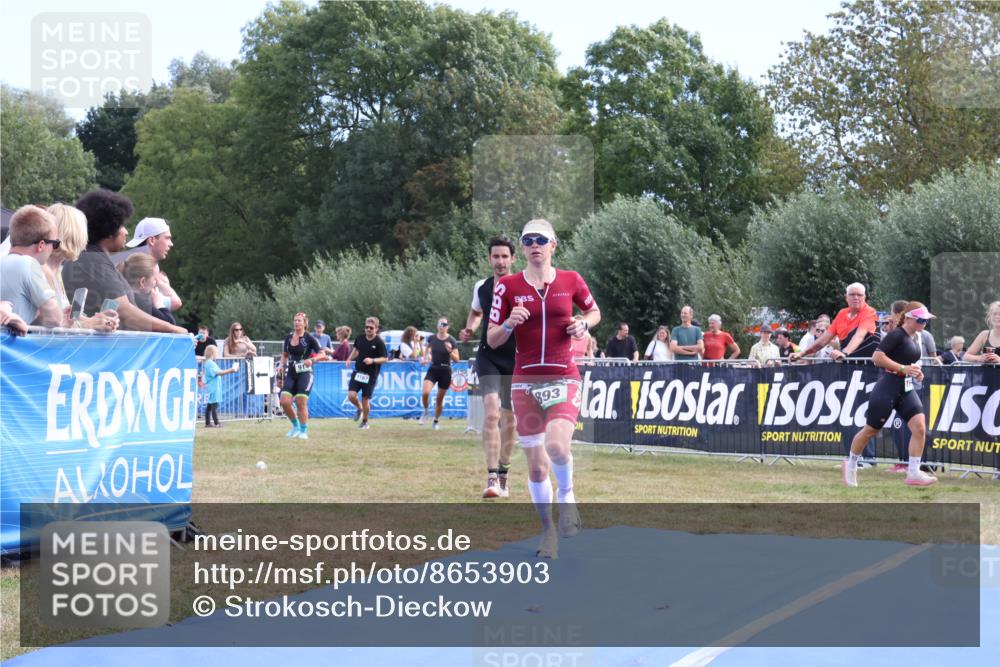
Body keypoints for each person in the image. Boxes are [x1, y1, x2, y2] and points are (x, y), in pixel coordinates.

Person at [487, 219, 601, 559]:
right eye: (528, 240)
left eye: (542, 239)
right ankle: (548, 533)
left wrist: (583, 324)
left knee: (557, 447)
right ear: (522, 249)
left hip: (563, 376)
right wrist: (509, 323)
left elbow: (594, 311)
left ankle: (567, 496)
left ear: (553, 245)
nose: (535, 244)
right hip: (525, 382)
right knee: (536, 468)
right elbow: (493, 340)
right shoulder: (507, 287)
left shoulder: (571, 280)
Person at [841, 302, 939, 488]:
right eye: (921, 319)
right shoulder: (896, 334)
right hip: (888, 386)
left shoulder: (916, 337)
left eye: (926, 320)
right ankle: (851, 464)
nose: (924, 323)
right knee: (871, 430)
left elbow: (906, 361)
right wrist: (903, 368)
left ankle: (913, 472)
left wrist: (915, 371)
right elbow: (877, 358)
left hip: (906, 387)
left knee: (920, 428)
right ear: (909, 318)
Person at [63, 190, 186, 334]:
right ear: (109, 229)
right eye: (121, 225)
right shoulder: (92, 261)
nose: (126, 232)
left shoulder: (93, 258)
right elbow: (125, 312)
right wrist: (176, 330)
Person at [460, 235, 519, 498]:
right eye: (496, 256)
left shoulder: (524, 286)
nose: (500, 261)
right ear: (489, 259)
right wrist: (470, 327)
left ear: (513, 259)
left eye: (505, 256)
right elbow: (475, 312)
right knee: (492, 413)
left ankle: (504, 475)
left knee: (510, 419)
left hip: (517, 358)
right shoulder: (481, 287)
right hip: (489, 356)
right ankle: (492, 477)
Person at [42, 204, 118, 332]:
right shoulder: (41, 270)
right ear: (75, 235)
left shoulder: (56, 272)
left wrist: (99, 321)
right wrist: (88, 324)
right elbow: (49, 322)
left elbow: (64, 319)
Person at [0, 205, 64, 327]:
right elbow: (55, 319)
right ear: (41, 245)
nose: (54, 249)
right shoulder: (28, 264)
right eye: (55, 243)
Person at [791, 283, 879, 363]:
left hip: (869, 365)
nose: (856, 297)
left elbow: (859, 335)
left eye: (859, 295)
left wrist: (844, 352)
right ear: (846, 297)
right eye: (852, 294)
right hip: (849, 365)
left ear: (864, 298)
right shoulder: (842, 313)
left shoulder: (869, 312)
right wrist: (801, 354)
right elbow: (823, 340)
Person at [278, 312, 326, 440]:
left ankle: (304, 431)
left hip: (305, 372)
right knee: (284, 401)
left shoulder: (310, 338)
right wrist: (280, 365)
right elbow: (284, 354)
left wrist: (312, 359)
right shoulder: (288, 337)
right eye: (295, 320)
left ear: (305, 323)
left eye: (299, 320)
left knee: (301, 402)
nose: (296, 322)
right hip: (292, 372)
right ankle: (295, 426)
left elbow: (322, 354)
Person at [125, 217, 182, 314]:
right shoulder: (138, 269)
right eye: (167, 238)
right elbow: (175, 303)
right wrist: (162, 284)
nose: (171, 244)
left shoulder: (130, 264)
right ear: (152, 240)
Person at [346, 316, 389, 429]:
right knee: (351, 395)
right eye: (366, 327)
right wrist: (349, 359)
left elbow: (385, 359)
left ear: (376, 329)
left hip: (371, 375)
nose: (368, 329)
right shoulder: (360, 338)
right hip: (358, 372)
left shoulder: (379, 342)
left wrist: (372, 360)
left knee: (365, 399)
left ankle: (365, 422)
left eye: (371, 327)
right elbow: (356, 350)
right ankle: (359, 408)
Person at [421, 317, 460, 430]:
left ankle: (436, 420)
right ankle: (426, 411)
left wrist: (450, 351)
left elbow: (457, 359)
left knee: (439, 400)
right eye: (440, 323)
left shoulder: (451, 340)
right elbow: (427, 348)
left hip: (445, 371)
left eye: (444, 324)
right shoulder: (432, 338)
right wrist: (426, 357)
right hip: (433, 369)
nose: (442, 326)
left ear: (447, 327)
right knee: (425, 393)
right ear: (437, 326)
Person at [118, 254, 176, 325]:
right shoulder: (140, 303)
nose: (156, 283)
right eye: (155, 279)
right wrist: (159, 304)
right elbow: (170, 324)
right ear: (142, 282)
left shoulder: (117, 296)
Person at [202, 344, 237, 428]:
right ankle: (217, 423)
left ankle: (207, 423)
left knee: (209, 406)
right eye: (216, 353)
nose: (217, 355)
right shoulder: (210, 363)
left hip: (212, 387)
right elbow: (219, 372)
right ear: (212, 353)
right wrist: (231, 370)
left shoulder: (208, 363)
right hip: (213, 388)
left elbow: (219, 371)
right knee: (214, 406)